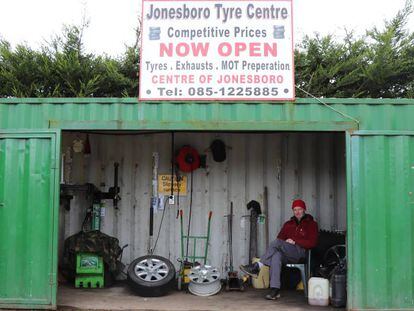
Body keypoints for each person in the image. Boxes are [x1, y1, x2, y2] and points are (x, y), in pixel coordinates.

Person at [240, 199, 318, 300]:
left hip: (301, 253)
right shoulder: (288, 224)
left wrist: (294, 240)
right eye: (295, 210)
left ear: (304, 210)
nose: (297, 212)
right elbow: (280, 239)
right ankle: (275, 290)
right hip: (287, 254)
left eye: (299, 209)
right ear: (293, 211)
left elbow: (313, 243)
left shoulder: (311, 224)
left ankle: (258, 266)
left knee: (277, 243)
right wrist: (286, 242)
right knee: (276, 256)